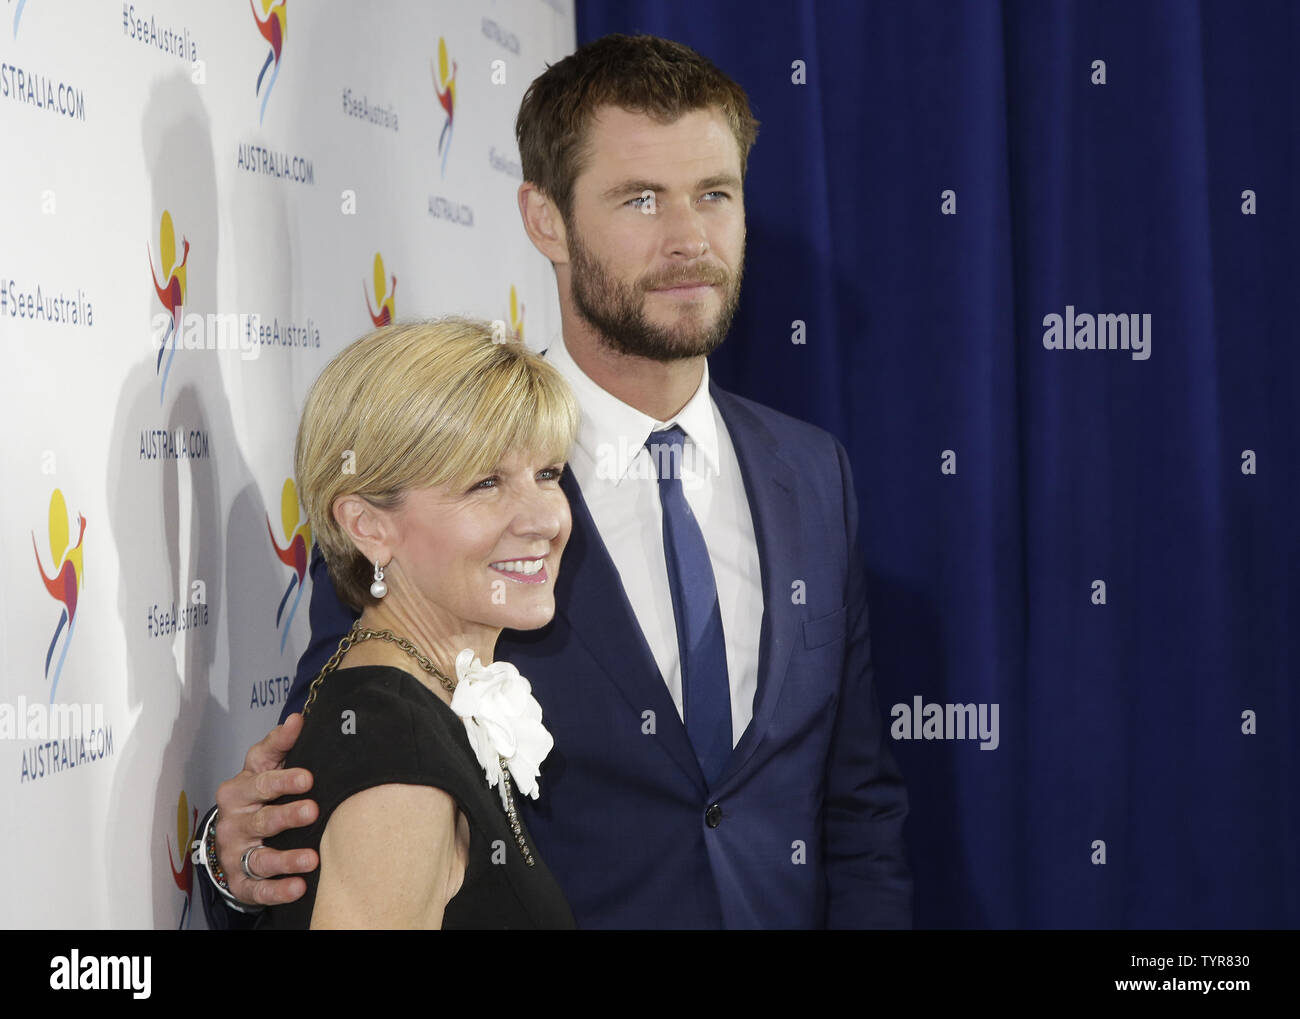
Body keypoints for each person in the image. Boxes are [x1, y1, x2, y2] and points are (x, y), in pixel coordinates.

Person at [199, 33, 911, 929]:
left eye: (715, 195)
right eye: (641, 198)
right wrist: (237, 862)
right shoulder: (437, 483)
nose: (689, 238)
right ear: (545, 219)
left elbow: (856, 804)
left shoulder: (815, 475)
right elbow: (336, 774)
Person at [252, 318, 578, 928]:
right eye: (486, 483)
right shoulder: (398, 754)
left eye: (548, 474)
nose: (544, 519)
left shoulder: (423, 694)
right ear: (368, 525)